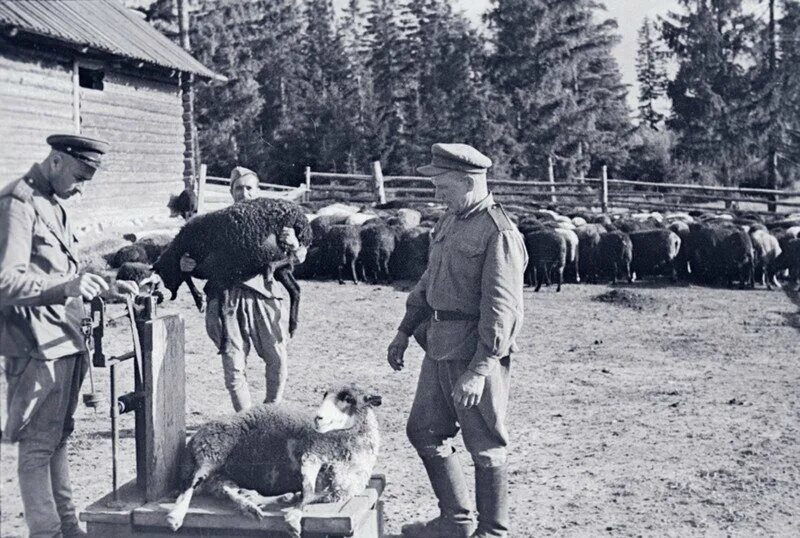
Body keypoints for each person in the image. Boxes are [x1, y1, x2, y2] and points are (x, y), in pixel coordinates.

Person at [0, 134, 139, 537]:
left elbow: (64, 273)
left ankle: (68, 526)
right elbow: (6, 282)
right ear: (57, 161)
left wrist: (108, 287)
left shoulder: (55, 206)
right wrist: (68, 287)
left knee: (59, 437)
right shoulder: (17, 205)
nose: (81, 189)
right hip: (36, 344)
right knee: (38, 446)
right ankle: (47, 532)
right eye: (79, 177)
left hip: (67, 338)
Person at [387, 144, 528, 538]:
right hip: (437, 344)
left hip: (474, 352)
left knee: (485, 444)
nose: (437, 194)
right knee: (424, 430)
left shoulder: (499, 233)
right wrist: (403, 329)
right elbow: (429, 281)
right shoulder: (451, 219)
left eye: (443, 186)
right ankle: (456, 521)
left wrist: (479, 370)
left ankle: (492, 532)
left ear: (469, 181)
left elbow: (503, 311)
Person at [179, 166, 307, 411]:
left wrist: (295, 245)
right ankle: (246, 420)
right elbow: (194, 259)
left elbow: (298, 257)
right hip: (226, 300)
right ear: (231, 192)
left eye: (249, 188)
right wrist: (186, 264)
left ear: (257, 191)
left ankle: (272, 410)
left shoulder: (275, 221)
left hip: (264, 296)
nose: (244, 193)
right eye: (239, 188)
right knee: (233, 363)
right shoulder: (216, 224)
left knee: (276, 357)